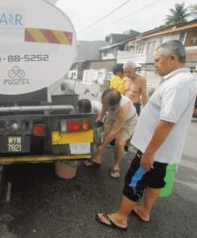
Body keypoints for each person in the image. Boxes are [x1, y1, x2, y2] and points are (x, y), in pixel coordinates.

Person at [95, 40, 196, 230]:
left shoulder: (178, 85)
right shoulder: (182, 80)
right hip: (163, 151)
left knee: (134, 180)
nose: (155, 64)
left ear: (172, 58)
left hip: (154, 150)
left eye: (158, 60)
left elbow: (167, 122)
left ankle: (120, 218)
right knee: (156, 181)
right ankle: (144, 210)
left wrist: (149, 153)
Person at [84, 89, 137, 179]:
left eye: (106, 105)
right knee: (101, 136)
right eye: (103, 103)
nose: (104, 106)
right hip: (112, 118)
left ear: (115, 105)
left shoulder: (124, 107)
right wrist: (100, 117)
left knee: (119, 142)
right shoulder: (108, 99)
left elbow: (114, 131)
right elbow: (104, 106)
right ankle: (97, 159)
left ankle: (116, 166)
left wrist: (103, 146)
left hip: (128, 121)